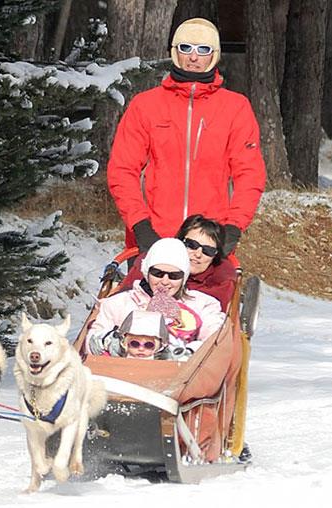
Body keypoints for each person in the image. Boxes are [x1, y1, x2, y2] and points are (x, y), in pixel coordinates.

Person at [107, 18, 266, 256]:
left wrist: (232, 228)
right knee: (144, 294)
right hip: (153, 238)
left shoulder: (236, 108)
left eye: (203, 50)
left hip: (209, 241)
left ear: (214, 55)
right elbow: (122, 169)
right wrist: (140, 225)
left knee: (208, 295)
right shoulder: (145, 105)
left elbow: (250, 175)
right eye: (186, 48)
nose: (193, 57)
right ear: (174, 52)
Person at [86, 238, 225, 355]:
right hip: (121, 376)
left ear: (184, 277)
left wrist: (187, 352)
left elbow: (214, 340)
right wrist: (109, 341)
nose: (165, 281)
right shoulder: (118, 303)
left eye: (174, 276)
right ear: (147, 273)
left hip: (178, 378)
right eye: (157, 274)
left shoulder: (202, 304)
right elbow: (90, 340)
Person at [120, 215, 237, 310]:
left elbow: (213, 316)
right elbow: (125, 295)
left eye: (208, 250)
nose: (198, 254)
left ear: (215, 255)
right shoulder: (154, 261)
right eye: (192, 245)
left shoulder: (221, 279)